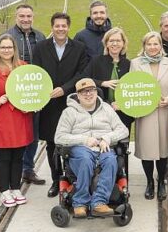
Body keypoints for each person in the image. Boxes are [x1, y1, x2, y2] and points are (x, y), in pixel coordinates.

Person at [31, 12, 90, 197]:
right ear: (52, 27)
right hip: (49, 106)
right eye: (57, 26)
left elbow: (82, 73)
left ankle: (72, 179)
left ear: (68, 27)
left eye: (64, 26)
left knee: (73, 144)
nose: (60, 29)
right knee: (52, 145)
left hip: (71, 103)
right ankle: (56, 181)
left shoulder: (79, 48)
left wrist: (64, 88)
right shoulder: (40, 47)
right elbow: (36, 73)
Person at [54, 78, 130, 217]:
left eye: (91, 90)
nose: (88, 94)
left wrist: (107, 138)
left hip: (104, 146)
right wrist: (84, 139)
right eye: (84, 92)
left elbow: (123, 130)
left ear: (96, 92)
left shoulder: (106, 108)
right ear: (77, 95)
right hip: (80, 148)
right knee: (85, 160)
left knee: (111, 160)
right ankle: (80, 203)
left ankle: (99, 203)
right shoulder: (69, 112)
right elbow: (59, 137)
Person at [0, 34, 33, 207]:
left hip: (20, 117)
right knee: (3, 157)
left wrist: (31, 104)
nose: (6, 50)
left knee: (18, 156)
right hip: (1, 117)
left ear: (14, 49)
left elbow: (31, 91)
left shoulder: (23, 66)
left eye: (9, 47)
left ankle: (15, 188)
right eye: (3, 47)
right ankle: (4, 191)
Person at [130, 31, 168, 200]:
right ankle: (150, 182)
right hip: (145, 114)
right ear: (144, 46)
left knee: (163, 150)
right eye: (149, 44)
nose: (152, 47)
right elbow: (132, 88)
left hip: (164, 112)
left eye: (155, 44)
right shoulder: (135, 64)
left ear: (160, 45)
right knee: (147, 150)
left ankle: (161, 182)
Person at [6, 4, 47, 186]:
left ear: (33, 17)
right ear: (16, 17)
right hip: (14, 93)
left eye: (29, 16)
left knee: (34, 133)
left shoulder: (39, 36)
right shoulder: (7, 37)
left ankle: (28, 169)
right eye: (22, 16)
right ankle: (13, 168)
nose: (25, 19)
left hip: (35, 93)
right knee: (16, 133)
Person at [86, 27, 134, 131]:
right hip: (101, 112)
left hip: (123, 114)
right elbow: (84, 80)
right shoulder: (96, 61)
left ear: (123, 43)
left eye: (118, 41)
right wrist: (102, 83)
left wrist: (122, 103)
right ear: (106, 44)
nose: (115, 44)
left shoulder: (129, 64)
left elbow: (133, 89)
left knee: (122, 145)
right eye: (111, 41)